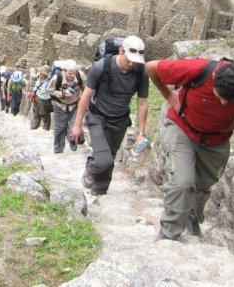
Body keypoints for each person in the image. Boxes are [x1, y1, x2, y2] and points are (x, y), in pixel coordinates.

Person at [145, 56, 234, 240]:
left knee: (202, 186)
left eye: (230, 100)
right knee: (182, 181)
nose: (224, 103)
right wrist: (169, 96)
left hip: (216, 140)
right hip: (182, 129)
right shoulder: (196, 69)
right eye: (220, 96)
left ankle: (192, 218)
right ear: (214, 80)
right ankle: (169, 233)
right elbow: (151, 67)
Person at [71, 36, 149, 195]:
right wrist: (77, 125)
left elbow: (142, 102)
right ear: (121, 51)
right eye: (129, 59)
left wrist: (141, 133)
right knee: (103, 158)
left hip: (120, 121)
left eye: (136, 61)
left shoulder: (141, 72)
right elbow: (86, 96)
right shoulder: (102, 66)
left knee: (110, 156)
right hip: (97, 118)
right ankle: (91, 168)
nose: (132, 64)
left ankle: (100, 189)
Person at [49, 60, 85, 153]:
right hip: (60, 105)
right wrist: (62, 93)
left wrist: (82, 99)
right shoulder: (57, 78)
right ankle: (58, 149)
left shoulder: (80, 76)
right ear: (64, 71)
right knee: (60, 128)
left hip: (75, 105)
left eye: (74, 73)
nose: (72, 76)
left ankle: (73, 143)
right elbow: (49, 90)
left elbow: (85, 88)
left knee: (75, 126)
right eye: (70, 73)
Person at [29, 64, 53, 131]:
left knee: (44, 115)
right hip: (36, 97)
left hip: (44, 100)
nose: (40, 73)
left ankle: (46, 129)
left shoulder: (49, 81)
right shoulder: (38, 77)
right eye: (40, 72)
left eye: (41, 72)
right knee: (36, 113)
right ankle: (33, 128)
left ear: (45, 74)